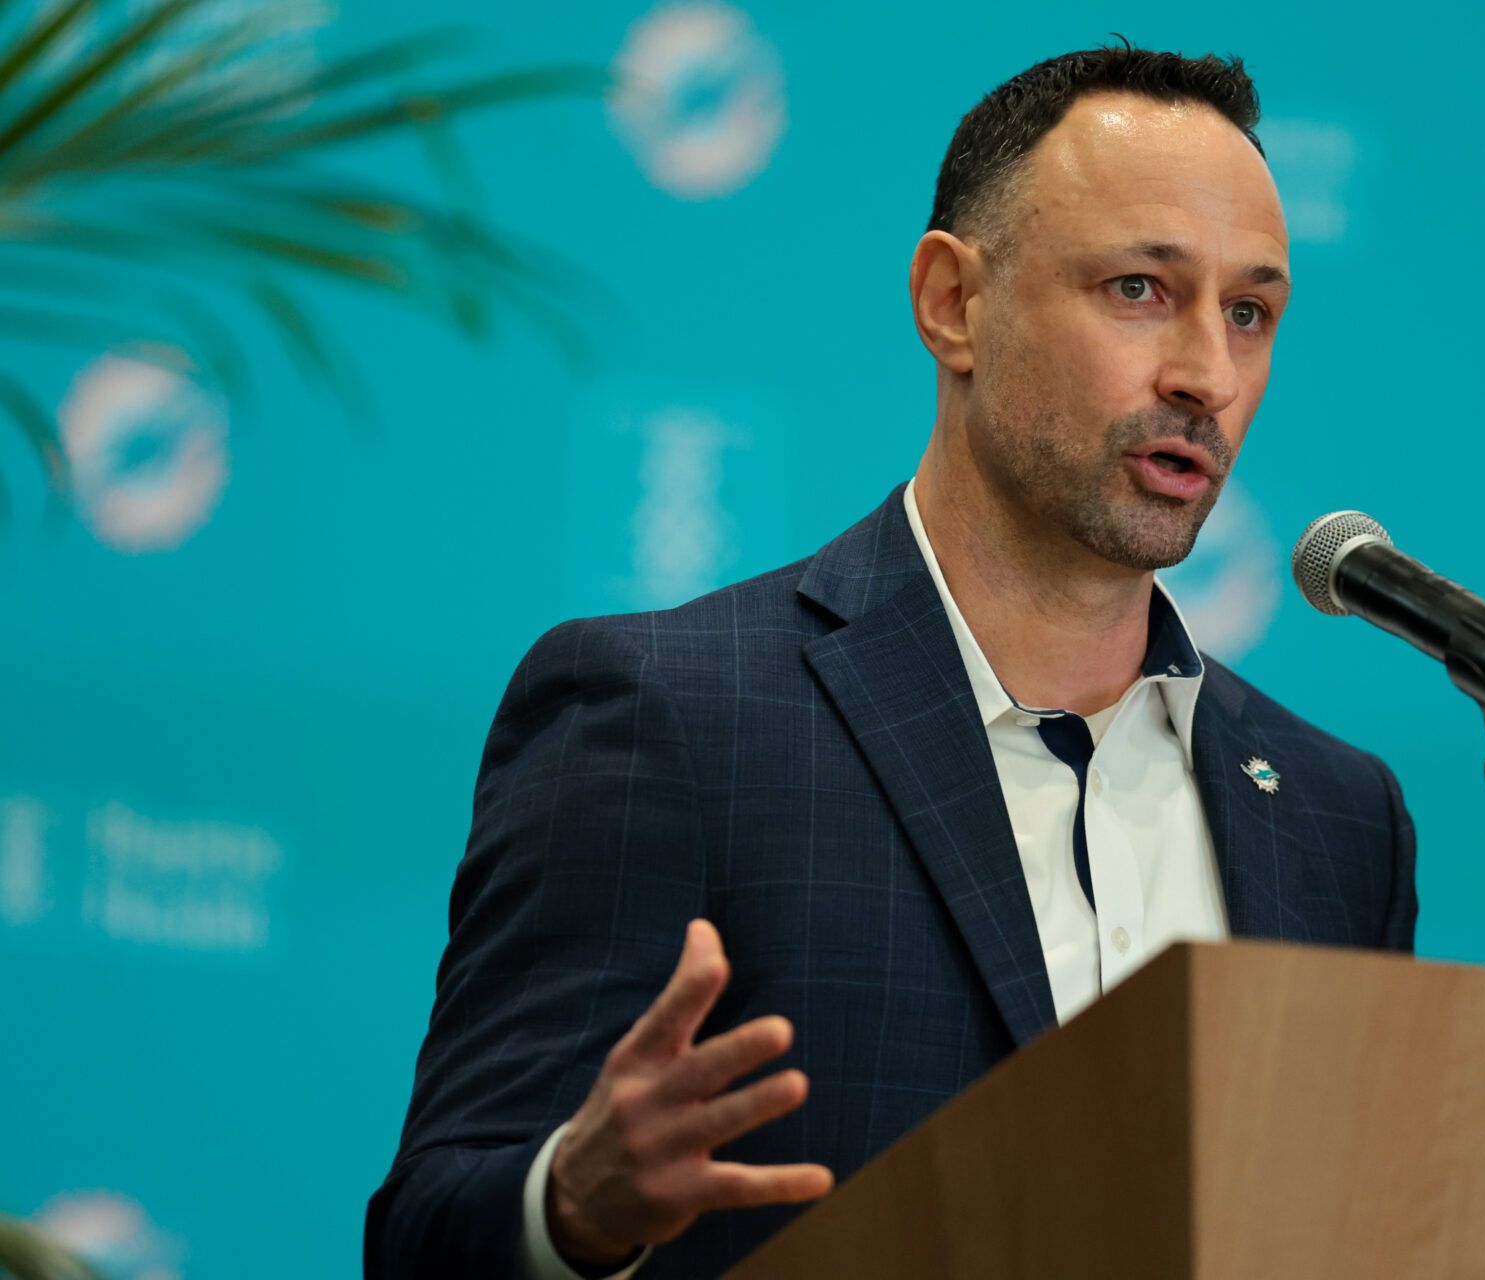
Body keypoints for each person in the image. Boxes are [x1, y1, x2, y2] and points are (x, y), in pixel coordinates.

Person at [366, 45, 1416, 1280]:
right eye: (1140, 288)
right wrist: (574, 1206)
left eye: (1249, 312)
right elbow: (433, 1234)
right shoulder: (674, 715)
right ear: (952, 302)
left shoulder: (1339, 819)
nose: (1207, 374)